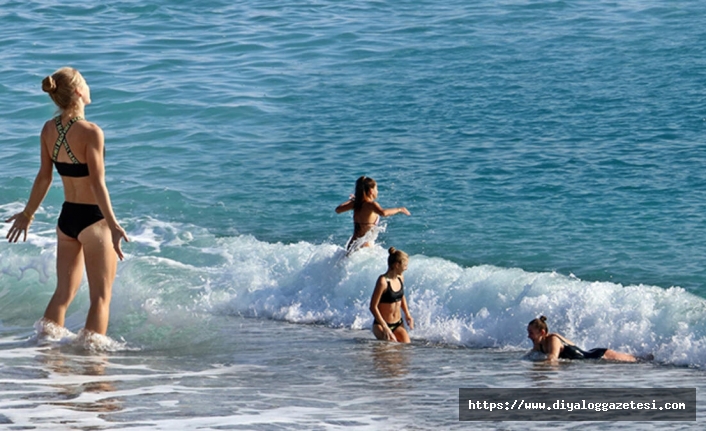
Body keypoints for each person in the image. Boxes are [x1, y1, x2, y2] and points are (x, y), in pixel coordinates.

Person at [5, 67, 128, 339]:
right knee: (100, 299)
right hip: (94, 221)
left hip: (67, 220)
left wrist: (28, 213)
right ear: (77, 91)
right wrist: (113, 224)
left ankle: (45, 350)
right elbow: (97, 184)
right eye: (84, 80)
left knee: (63, 294)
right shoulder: (91, 132)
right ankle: (94, 366)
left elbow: (44, 177)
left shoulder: (49, 129)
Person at [335, 176, 410, 251]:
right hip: (365, 245)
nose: (377, 191)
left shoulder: (355, 203)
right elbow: (383, 213)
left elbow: (338, 210)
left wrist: (352, 200)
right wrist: (399, 209)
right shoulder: (371, 205)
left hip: (353, 244)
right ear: (371, 191)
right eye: (376, 189)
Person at [527, 316, 637, 362]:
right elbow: (529, 355)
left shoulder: (553, 339)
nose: (529, 336)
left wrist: (539, 365)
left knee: (635, 360)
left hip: (598, 355)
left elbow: (552, 358)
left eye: (531, 333)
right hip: (590, 357)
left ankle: (650, 357)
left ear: (542, 332)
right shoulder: (539, 344)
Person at [369, 247, 414, 343]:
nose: (406, 268)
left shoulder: (400, 278)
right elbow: (373, 307)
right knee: (391, 348)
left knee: (406, 347)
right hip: (381, 324)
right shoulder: (383, 281)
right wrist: (385, 327)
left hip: (398, 324)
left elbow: (401, 296)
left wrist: (407, 314)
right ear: (397, 265)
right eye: (405, 265)